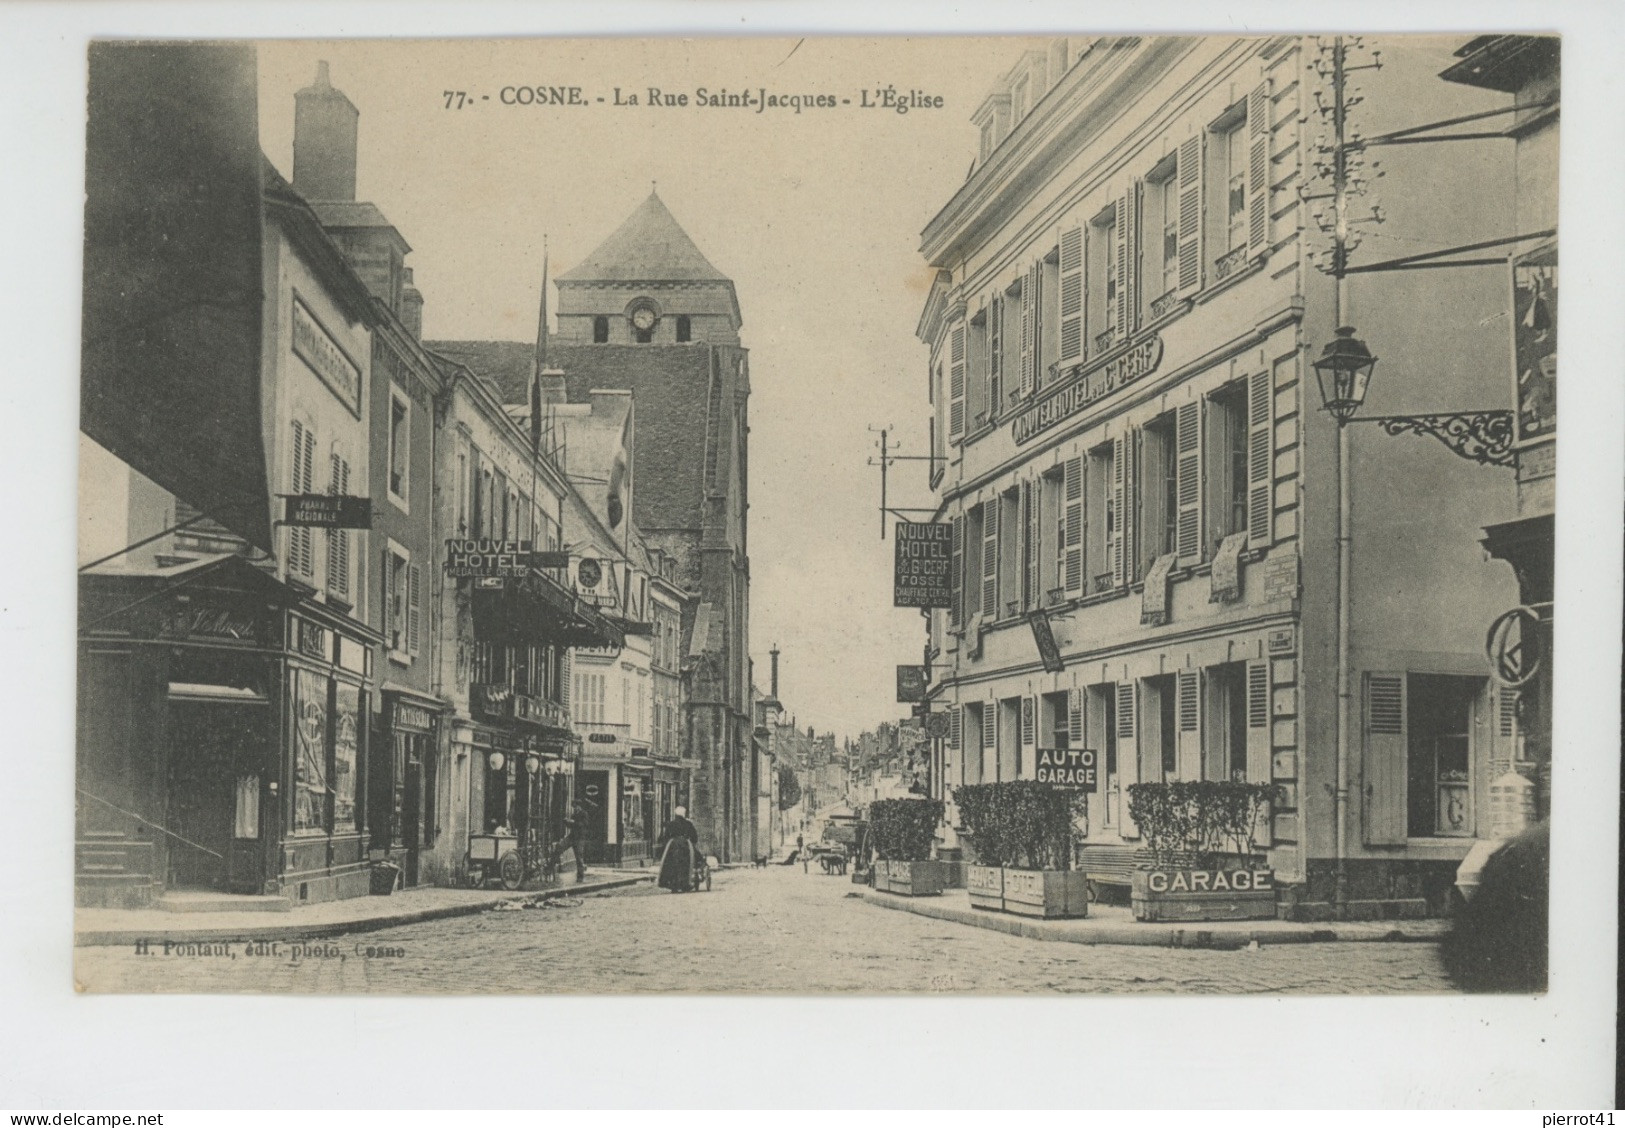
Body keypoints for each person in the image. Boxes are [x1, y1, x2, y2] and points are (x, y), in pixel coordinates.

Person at [655, 805, 700, 893]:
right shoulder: (688, 824)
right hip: (685, 845)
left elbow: (665, 836)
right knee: (687, 862)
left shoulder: (671, 824)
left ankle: (672, 884)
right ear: (684, 814)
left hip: (672, 846)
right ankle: (685, 884)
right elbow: (694, 837)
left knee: (670, 863)